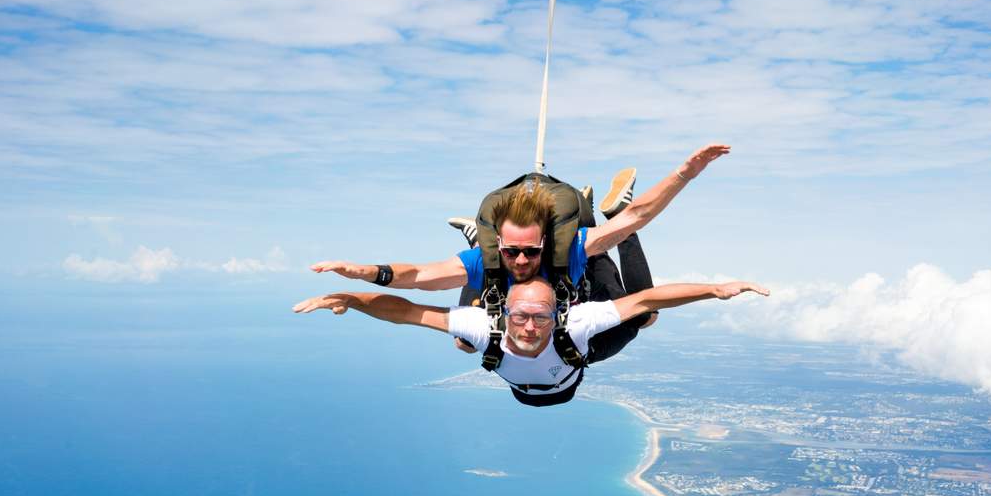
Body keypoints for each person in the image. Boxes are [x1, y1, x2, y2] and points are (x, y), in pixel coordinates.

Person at [308, 143, 731, 295]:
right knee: (464, 340)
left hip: (575, 279)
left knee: (644, 313)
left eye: (531, 251)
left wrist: (684, 174)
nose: (523, 261)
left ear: (545, 242)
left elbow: (639, 216)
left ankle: (599, 210)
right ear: (500, 244)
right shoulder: (491, 259)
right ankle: (477, 237)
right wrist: (367, 272)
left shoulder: (568, 248)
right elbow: (418, 276)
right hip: (505, 273)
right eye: (512, 252)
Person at [292, 276, 769, 407]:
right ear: (508, 314)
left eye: (540, 316)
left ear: (556, 313)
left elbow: (404, 312)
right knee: (467, 327)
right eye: (520, 315)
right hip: (556, 385)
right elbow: (406, 311)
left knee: (465, 331)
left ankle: (482, 254)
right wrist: (351, 299)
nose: (529, 325)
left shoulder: (562, 323)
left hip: (533, 385)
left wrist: (714, 291)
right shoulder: (565, 330)